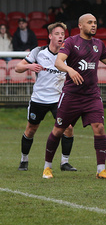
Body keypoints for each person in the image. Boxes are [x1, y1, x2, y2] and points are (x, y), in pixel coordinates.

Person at [42, 14, 106, 179]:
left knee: (99, 127)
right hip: (71, 95)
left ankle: (101, 170)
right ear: (80, 25)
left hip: (92, 95)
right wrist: (70, 69)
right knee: (59, 130)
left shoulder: (99, 44)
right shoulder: (71, 42)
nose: (94, 25)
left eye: (95, 22)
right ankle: (47, 167)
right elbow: (58, 62)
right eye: (90, 22)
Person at [16, 22, 76, 172]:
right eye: (57, 34)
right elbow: (18, 68)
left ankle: (64, 162)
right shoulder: (39, 52)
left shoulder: (68, 55)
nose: (60, 36)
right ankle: (24, 160)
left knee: (68, 128)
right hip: (39, 99)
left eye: (62, 34)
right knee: (31, 129)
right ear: (50, 36)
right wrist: (29, 66)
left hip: (58, 99)